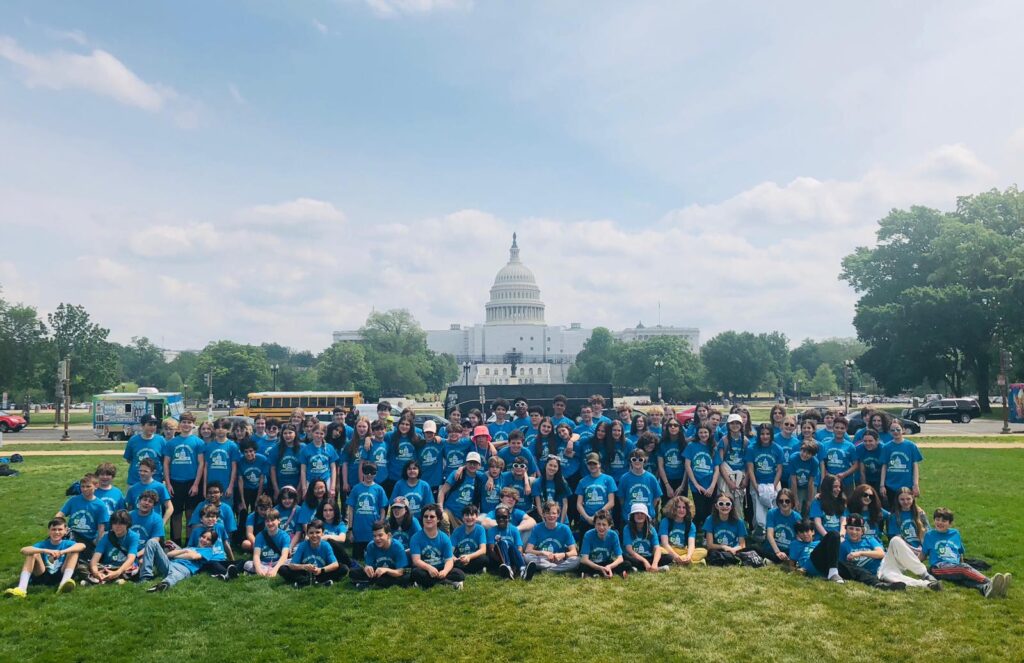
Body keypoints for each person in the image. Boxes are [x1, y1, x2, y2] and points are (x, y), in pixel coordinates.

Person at [924, 507, 1011, 597]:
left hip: (954, 567)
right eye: (937, 520)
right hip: (938, 568)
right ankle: (991, 582)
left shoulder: (955, 533)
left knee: (965, 579)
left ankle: (986, 589)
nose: (940, 523)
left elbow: (960, 553)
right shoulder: (929, 535)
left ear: (950, 523)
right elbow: (923, 554)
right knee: (963, 569)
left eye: (944, 521)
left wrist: (961, 563)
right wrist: (913, 564)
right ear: (934, 520)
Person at [5, 517, 83, 597]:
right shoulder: (43, 544)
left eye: (60, 529)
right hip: (43, 575)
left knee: (74, 552)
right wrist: (45, 551)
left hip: (61, 573)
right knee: (33, 553)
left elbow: (82, 546)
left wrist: (62, 552)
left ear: (65, 531)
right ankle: (22, 589)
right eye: (53, 529)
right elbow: (23, 550)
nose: (56, 532)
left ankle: (63, 584)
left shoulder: (68, 543)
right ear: (49, 531)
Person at [162, 412, 205, 545]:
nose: (186, 425)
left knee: (190, 514)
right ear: (179, 424)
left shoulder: (198, 442)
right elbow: (166, 464)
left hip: (191, 482)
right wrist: (168, 484)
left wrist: (196, 484)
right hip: (175, 482)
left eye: (189, 422)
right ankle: (175, 542)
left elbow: (201, 464)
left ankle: (189, 542)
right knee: (176, 514)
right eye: (184, 422)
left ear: (193, 425)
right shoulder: (171, 443)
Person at [138, 528, 219, 593]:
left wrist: (178, 555)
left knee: (174, 577)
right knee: (152, 541)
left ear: (211, 543)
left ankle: (163, 585)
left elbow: (193, 556)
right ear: (199, 537)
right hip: (169, 563)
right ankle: (145, 578)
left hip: (184, 568)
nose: (204, 540)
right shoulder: (191, 548)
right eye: (203, 537)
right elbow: (169, 554)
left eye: (208, 539)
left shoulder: (208, 551)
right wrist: (184, 551)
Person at [838, 515, 906, 590]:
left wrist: (860, 553)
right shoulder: (843, 545)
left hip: (882, 568)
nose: (854, 532)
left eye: (857, 529)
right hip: (865, 573)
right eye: (851, 528)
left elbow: (881, 553)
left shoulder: (869, 540)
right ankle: (886, 585)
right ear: (846, 530)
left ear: (862, 532)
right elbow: (842, 565)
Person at [409, 504, 465, 589]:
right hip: (425, 569)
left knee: (460, 574)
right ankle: (449, 583)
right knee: (416, 573)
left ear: (438, 519)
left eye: (432, 517)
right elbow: (416, 560)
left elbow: (449, 560)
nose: (428, 519)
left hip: (441, 567)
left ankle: (425, 583)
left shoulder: (444, 537)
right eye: (425, 516)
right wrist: (429, 568)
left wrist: (445, 571)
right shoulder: (415, 538)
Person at [56, 473, 110, 560]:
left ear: (96, 486)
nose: (85, 489)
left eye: (88, 486)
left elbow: (101, 528)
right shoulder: (73, 500)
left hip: (88, 539)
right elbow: (60, 514)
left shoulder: (100, 505)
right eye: (82, 486)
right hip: (72, 536)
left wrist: (98, 544)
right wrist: (59, 525)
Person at [279, 520, 346, 588]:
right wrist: (304, 567)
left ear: (322, 533)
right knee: (282, 569)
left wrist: (321, 570)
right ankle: (316, 581)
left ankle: (304, 582)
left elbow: (335, 564)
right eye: (311, 533)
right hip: (305, 572)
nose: (314, 535)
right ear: (307, 534)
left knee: (343, 568)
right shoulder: (303, 545)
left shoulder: (326, 545)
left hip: (321, 572)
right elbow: (292, 565)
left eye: (317, 532)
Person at [745, 424, 784, 536]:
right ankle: (759, 533)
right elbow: (751, 469)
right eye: (762, 434)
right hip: (757, 482)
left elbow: (779, 470)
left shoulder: (777, 448)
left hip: (773, 482)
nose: (765, 436)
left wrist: (773, 486)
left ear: (771, 435)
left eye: (768, 434)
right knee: (758, 510)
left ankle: (774, 532)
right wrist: (756, 487)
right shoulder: (752, 448)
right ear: (758, 435)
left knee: (775, 508)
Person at [523, 501, 579, 575]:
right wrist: (542, 552)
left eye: (554, 513)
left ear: (558, 514)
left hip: (559, 558)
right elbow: (528, 550)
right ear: (543, 514)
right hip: (543, 559)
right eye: (548, 513)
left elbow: (574, 552)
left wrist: (563, 555)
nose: (551, 515)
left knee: (576, 560)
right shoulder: (537, 527)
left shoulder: (564, 528)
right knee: (527, 557)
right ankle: (558, 569)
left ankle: (548, 570)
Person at [350, 521, 410, 589]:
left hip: (393, 573)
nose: (377, 538)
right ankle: (373, 583)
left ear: (389, 535)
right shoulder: (371, 546)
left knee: (405, 578)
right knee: (353, 572)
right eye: (374, 536)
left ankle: (367, 583)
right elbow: (369, 565)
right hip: (377, 572)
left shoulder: (398, 547)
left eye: (380, 535)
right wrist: (367, 568)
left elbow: (400, 572)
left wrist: (386, 570)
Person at [346, 462, 388, 560]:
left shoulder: (379, 489)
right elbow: (351, 509)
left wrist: (381, 524)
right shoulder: (356, 488)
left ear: (376, 473)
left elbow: (383, 509)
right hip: (358, 530)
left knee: (374, 558)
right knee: (357, 559)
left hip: (373, 531)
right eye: (366, 472)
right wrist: (350, 529)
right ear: (362, 472)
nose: (369, 475)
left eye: (372, 472)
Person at [87, 509, 139, 585]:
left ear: (127, 524)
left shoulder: (133, 536)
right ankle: (105, 578)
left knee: (134, 569)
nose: (117, 526)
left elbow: (131, 558)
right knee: (85, 566)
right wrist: (95, 572)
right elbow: (95, 558)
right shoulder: (106, 536)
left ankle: (99, 579)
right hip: (107, 566)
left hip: (123, 566)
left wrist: (118, 572)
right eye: (114, 523)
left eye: (121, 524)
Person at [880, 421, 923, 510]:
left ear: (903, 430)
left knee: (909, 509)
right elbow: (884, 466)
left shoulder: (911, 446)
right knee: (892, 510)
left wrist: (915, 484)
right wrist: (882, 485)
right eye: (892, 430)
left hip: (907, 485)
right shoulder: (886, 447)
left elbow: (915, 466)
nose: (895, 432)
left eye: (898, 429)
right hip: (891, 485)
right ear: (889, 432)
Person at [438, 451, 486, 532]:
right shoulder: (456, 474)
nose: (472, 465)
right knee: (443, 518)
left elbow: (491, 474)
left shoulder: (481, 477)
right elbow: (442, 492)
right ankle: (448, 543)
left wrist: (491, 479)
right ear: (465, 463)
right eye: (470, 462)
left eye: (475, 463)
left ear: (479, 466)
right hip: (450, 512)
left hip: (467, 516)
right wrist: (440, 507)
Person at [684, 425, 718, 532]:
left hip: (710, 483)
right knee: (699, 509)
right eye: (701, 432)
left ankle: (707, 531)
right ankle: (693, 527)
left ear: (709, 434)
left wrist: (712, 486)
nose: (703, 435)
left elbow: (717, 469)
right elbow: (688, 466)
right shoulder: (691, 446)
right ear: (697, 434)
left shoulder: (713, 447)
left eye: (705, 432)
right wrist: (696, 484)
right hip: (697, 484)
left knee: (709, 510)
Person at [486, 505, 533, 580]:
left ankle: (523, 570)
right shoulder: (491, 530)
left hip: (512, 556)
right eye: (498, 517)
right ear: (495, 518)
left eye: (504, 517)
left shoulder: (514, 529)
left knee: (511, 545)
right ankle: (507, 568)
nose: (501, 519)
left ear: (509, 517)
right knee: (502, 543)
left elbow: (519, 548)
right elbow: (491, 550)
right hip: (498, 558)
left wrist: (516, 559)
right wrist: (502, 562)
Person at [658, 495, 707, 566]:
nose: (681, 510)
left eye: (684, 507)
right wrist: (676, 556)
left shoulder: (690, 525)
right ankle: (693, 562)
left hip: (683, 550)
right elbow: (664, 543)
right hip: (669, 549)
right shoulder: (665, 521)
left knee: (703, 551)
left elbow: (691, 545)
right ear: (673, 509)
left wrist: (689, 556)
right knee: (659, 550)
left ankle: (679, 561)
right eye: (678, 507)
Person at [716, 414, 749, 517]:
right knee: (725, 500)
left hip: (740, 474)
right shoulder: (724, 440)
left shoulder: (745, 441)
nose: (735, 425)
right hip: (726, 473)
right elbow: (720, 462)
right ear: (728, 425)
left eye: (737, 423)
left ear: (741, 425)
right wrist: (729, 481)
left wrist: (746, 479)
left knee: (738, 502)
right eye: (732, 423)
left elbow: (749, 463)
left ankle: (737, 523)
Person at [576, 453, 617, 535]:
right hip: (587, 520)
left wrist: (597, 515)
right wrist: (587, 518)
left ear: (599, 464)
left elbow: (611, 502)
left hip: (603, 520)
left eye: (594, 463)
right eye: (589, 464)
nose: (592, 466)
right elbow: (579, 504)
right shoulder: (582, 481)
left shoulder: (608, 479)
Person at [579, 509, 627, 578]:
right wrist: (599, 568)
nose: (601, 527)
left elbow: (620, 558)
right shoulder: (588, 535)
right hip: (592, 563)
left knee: (626, 564)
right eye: (598, 524)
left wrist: (609, 567)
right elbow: (584, 559)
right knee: (581, 565)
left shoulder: (613, 535)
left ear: (609, 526)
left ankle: (595, 573)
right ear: (594, 525)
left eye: (604, 524)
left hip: (606, 563)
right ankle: (601, 572)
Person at [703, 494, 749, 565]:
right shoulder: (710, 520)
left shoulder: (739, 522)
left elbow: (742, 545)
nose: (724, 506)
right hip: (718, 550)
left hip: (734, 550)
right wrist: (724, 547)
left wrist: (733, 549)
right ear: (716, 506)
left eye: (728, 504)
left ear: (731, 507)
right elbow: (710, 545)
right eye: (721, 504)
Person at [245, 507, 291, 577]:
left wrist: (275, 569)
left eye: (272, 520)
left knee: (292, 561)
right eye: (267, 521)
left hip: (278, 562)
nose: (270, 523)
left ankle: (272, 571)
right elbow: (256, 555)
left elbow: (284, 556)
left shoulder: (285, 536)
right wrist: (258, 569)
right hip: (263, 563)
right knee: (247, 564)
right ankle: (268, 571)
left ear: (279, 520)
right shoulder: (259, 536)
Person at [622, 503, 669, 572]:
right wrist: (644, 561)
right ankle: (655, 569)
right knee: (624, 557)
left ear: (646, 516)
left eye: (642, 513)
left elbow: (657, 548)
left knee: (668, 557)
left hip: (648, 557)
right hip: (635, 557)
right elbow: (630, 550)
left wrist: (655, 563)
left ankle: (646, 568)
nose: (639, 515)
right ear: (633, 516)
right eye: (636, 513)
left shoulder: (651, 529)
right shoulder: (627, 528)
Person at [818, 416, 857, 498]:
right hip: (829, 482)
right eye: (837, 427)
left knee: (847, 505)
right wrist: (827, 474)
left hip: (846, 482)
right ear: (833, 428)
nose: (839, 430)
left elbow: (856, 465)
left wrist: (844, 474)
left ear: (846, 430)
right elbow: (822, 463)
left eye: (842, 428)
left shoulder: (850, 446)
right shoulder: (825, 444)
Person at [123, 413, 166, 486]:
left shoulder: (161, 440)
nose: (153, 427)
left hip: (156, 481)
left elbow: (164, 461)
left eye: (154, 424)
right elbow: (129, 459)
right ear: (142, 426)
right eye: (150, 424)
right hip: (135, 481)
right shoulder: (133, 440)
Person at [204, 418, 240, 505]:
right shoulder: (209, 446)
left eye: (223, 427)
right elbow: (205, 468)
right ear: (214, 430)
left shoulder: (232, 446)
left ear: (228, 430)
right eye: (218, 428)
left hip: (225, 484)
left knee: (225, 510)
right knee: (210, 512)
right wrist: (204, 487)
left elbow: (234, 468)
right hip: (211, 483)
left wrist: (230, 486)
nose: (220, 430)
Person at [299, 423, 339, 501]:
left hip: (326, 479)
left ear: (325, 435)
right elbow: (303, 470)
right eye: (316, 433)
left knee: (327, 504)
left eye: (321, 433)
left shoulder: (329, 448)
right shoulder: (305, 449)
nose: (319, 435)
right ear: (312, 433)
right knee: (310, 504)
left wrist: (332, 487)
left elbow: (333, 468)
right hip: (310, 480)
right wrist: (304, 488)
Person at [887, 487, 929, 554]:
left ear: (913, 499)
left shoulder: (920, 513)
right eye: (902, 499)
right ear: (897, 500)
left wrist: (923, 547)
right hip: (903, 549)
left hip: (921, 548)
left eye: (908, 499)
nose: (906, 502)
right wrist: (910, 549)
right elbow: (896, 538)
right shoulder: (894, 516)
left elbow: (927, 532)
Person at [764, 489, 800, 563]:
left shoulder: (797, 517)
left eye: (787, 501)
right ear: (778, 502)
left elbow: (798, 538)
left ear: (792, 502)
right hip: (773, 549)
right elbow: (769, 535)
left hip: (788, 551)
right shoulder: (772, 513)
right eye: (781, 501)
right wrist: (778, 552)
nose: (784, 503)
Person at [268, 424, 303, 498]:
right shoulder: (275, 448)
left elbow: (303, 470)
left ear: (295, 434)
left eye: (290, 433)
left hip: (297, 485)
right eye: (285, 433)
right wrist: (276, 489)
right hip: (280, 485)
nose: (287, 435)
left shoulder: (302, 448)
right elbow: (272, 469)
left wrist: (299, 489)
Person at [450, 505, 488, 574]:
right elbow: (450, 551)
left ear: (476, 517)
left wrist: (469, 557)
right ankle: (475, 570)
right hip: (461, 559)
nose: (469, 517)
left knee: (484, 559)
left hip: (473, 558)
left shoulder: (480, 529)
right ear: (463, 518)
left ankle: (463, 570)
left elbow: (483, 550)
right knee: (450, 561)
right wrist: (456, 559)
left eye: (472, 515)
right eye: (467, 515)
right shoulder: (457, 531)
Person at [237, 439, 269, 519]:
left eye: (251, 451)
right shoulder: (240, 461)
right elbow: (240, 481)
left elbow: (262, 479)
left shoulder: (262, 459)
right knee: (243, 510)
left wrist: (258, 497)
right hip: (246, 488)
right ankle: (242, 530)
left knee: (257, 510)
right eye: (246, 452)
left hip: (259, 488)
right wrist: (242, 500)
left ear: (255, 451)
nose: (249, 454)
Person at [533, 455, 571, 522]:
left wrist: (561, 523)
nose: (552, 468)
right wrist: (545, 521)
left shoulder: (562, 482)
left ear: (558, 468)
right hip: (545, 519)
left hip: (560, 518)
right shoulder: (537, 483)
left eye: (555, 466)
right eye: (550, 465)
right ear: (546, 465)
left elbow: (565, 504)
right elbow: (538, 505)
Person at [787, 441, 820, 517]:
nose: (805, 455)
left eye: (808, 453)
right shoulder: (793, 458)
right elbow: (793, 481)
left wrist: (809, 500)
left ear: (813, 455)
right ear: (800, 449)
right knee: (797, 506)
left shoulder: (815, 462)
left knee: (810, 506)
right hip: (796, 484)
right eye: (803, 451)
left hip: (808, 484)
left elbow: (811, 483)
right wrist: (795, 499)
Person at [810, 474, 848, 540]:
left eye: (839, 487)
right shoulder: (817, 502)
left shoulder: (841, 501)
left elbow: (843, 521)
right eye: (835, 487)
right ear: (828, 488)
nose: (838, 489)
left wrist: (841, 536)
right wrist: (828, 538)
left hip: (838, 537)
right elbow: (817, 524)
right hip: (822, 538)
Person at [657, 419, 687, 502]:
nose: (673, 427)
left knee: (681, 506)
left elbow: (687, 467)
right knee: (666, 507)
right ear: (667, 428)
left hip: (681, 480)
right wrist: (667, 485)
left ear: (680, 428)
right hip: (666, 479)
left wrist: (682, 485)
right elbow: (660, 466)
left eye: (675, 425)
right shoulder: (662, 443)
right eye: (670, 425)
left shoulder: (684, 444)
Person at [855, 429, 887, 493]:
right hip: (866, 477)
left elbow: (885, 468)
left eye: (870, 441)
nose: (867, 443)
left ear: (877, 441)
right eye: (865, 441)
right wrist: (865, 488)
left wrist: (882, 485)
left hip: (880, 478)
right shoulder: (859, 448)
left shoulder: (883, 448)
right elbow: (862, 471)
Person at [417, 420, 445, 493]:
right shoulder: (419, 445)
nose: (429, 435)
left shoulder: (440, 443)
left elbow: (451, 441)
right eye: (427, 432)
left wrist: (440, 438)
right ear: (423, 432)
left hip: (436, 481)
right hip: (422, 479)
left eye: (431, 433)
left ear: (435, 433)